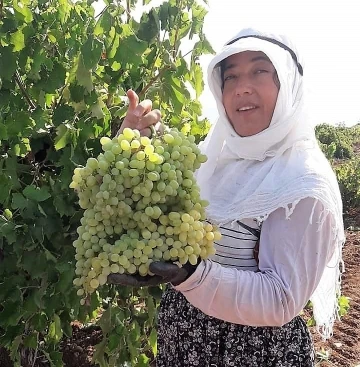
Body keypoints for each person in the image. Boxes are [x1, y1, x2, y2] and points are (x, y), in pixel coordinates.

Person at [108, 27, 345, 366]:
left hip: (253, 353)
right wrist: (134, 139)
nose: (241, 87)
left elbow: (280, 299)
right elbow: (162, 202)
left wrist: (190, 275)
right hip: (183, 339)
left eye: (260, 70)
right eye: (230, 76)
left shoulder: (303, 182)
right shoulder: (216, 156)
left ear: (287, 83)